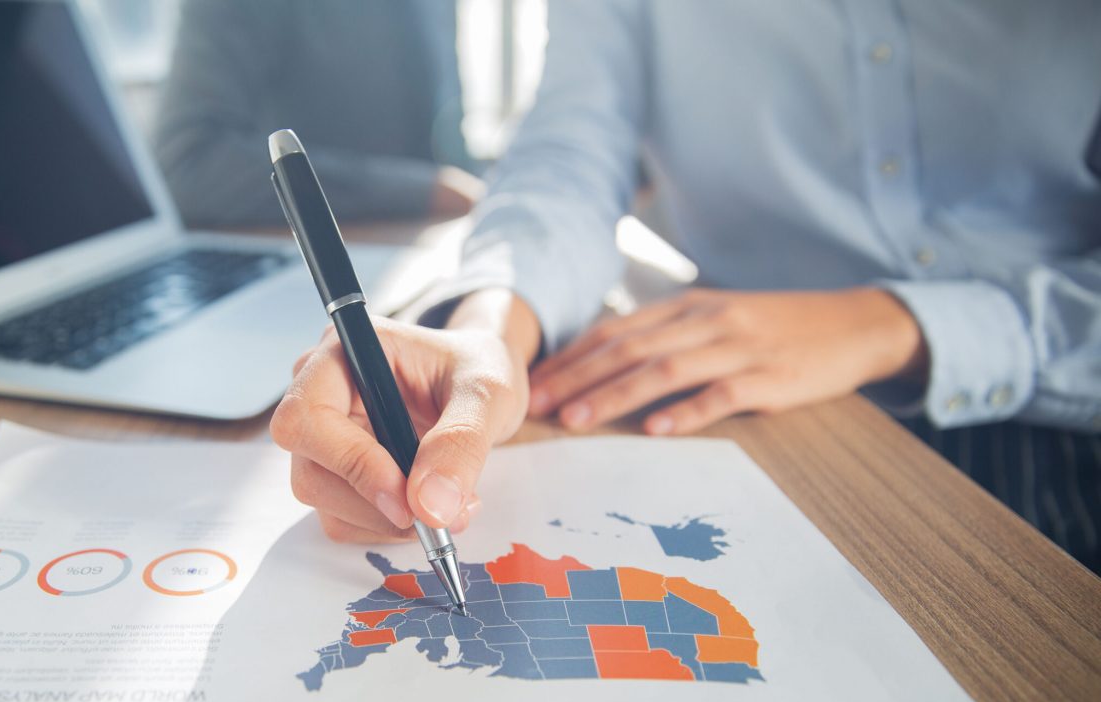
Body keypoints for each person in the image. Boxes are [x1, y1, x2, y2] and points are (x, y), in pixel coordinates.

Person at [269, 1, 1101, 572]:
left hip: (1058, 429)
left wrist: (895, 325)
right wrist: (491, 331)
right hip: (746, 417)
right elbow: (567, 162)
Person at [153, 0, 483, 227]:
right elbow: (188, 165)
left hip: (433, 252)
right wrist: (423, 192)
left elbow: (448, 137)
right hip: (310, 266)